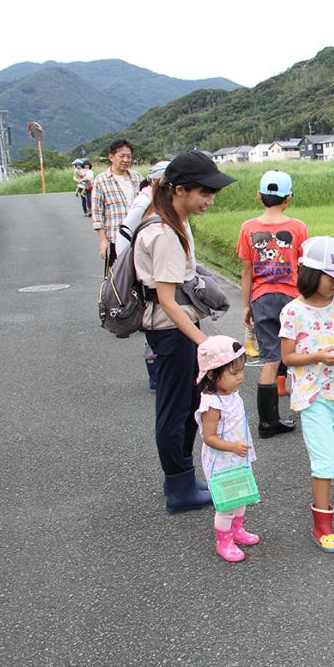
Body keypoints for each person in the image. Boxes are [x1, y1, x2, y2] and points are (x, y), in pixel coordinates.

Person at [134, 150, 236, 513]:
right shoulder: (164, 233)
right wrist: (204, 342)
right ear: (179, 190)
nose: (209, 200)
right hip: (172, 331)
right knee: (175, 410)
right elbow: (167, 299)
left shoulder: (174, 221)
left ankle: (181, 478)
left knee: (187, 404)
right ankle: (178, 489)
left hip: (178, 330)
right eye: (204, 193)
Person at [279, 236, 334, 553]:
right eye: (332, 277)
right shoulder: (292, 312)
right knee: (325, 460)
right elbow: (287, 357)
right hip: (312, 395)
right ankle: (322, 524)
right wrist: (317, 356)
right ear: (311, 274)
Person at [237, 170, 307, 438]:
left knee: (270, 358)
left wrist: (246, 305)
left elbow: (246, 271)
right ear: (288, 198)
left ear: (259, 196)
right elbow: (304, 268)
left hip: (262, 298)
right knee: (298, 352)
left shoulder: (248, 228)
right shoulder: (298, 228)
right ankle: (307, 404)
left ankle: (267, 422)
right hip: (293, 298)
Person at [194, 335, 259, 562]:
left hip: (237, 457)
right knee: (226, 505)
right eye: (234, 373)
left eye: (241, 371)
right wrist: (232, 446)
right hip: (222, 462)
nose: (240, 377)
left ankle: (237, 530)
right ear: (212, 374)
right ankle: (224, 540)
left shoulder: (231, 393)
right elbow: (209, 437)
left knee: (241, 497)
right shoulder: (211, 404)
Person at [117, 160, 170, 390]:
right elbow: (124, 234)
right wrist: (130, 270)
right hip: (148, 278)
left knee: (157, 326)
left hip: (155, 274)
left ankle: (160, 377)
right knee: (154, 323)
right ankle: (156, 377)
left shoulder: (158, 201)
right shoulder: (145, 201)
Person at [92, 139, 143, 267]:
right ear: (111, 157)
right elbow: (97, 214)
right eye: (122, 156)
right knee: (117, 281)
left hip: (139, 239)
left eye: (129, 156)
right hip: (115, 240)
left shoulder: (138, 178)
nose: (126, 160)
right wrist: (103, 241)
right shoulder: (101, 180)